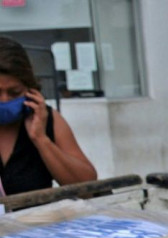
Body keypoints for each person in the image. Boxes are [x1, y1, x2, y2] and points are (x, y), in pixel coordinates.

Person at [0, 36, 96, 196]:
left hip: (39, 220)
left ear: (29, 90)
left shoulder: (46, 119)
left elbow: (87, 186)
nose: (4, 100)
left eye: (14, 93)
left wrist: (41, 139)